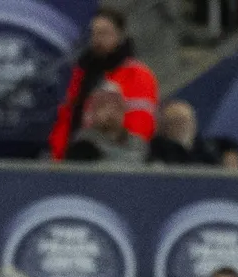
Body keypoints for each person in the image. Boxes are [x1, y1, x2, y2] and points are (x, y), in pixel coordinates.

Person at [47, 7, 158, 161]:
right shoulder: (79, 73)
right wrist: (59, 156)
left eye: (104, 33)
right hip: (77, 155)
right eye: (94, 33)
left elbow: (141, 124)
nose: (98, 39)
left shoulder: (137, 74)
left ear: (120, 36)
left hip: (118, 160)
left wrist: (128, 158)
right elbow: (65, 118)